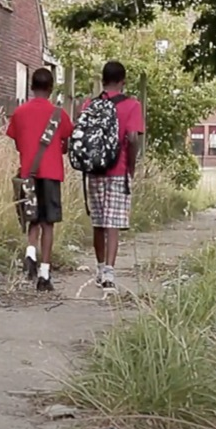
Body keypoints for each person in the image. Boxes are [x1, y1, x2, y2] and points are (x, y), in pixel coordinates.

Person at [6, 68, 73, 291]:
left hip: (28, 173)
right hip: (51, 174)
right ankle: (44, 273)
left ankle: (29, 252)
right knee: (48, 223)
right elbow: (67, 140)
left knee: (32, 219)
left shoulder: (20, 112)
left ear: (32, 87)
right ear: (51, 88)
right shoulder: (58, 114)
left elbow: (17, 143)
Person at [81, 61, 144, 294]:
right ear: (123, 81)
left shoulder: (90, 104)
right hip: (118, 170)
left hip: (95, 170)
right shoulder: (132, 105)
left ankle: (98, 268)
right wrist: (131, 166)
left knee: (98, 222)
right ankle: (109, 272)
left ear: (103, 79)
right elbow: (132, 138)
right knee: (113, 223)